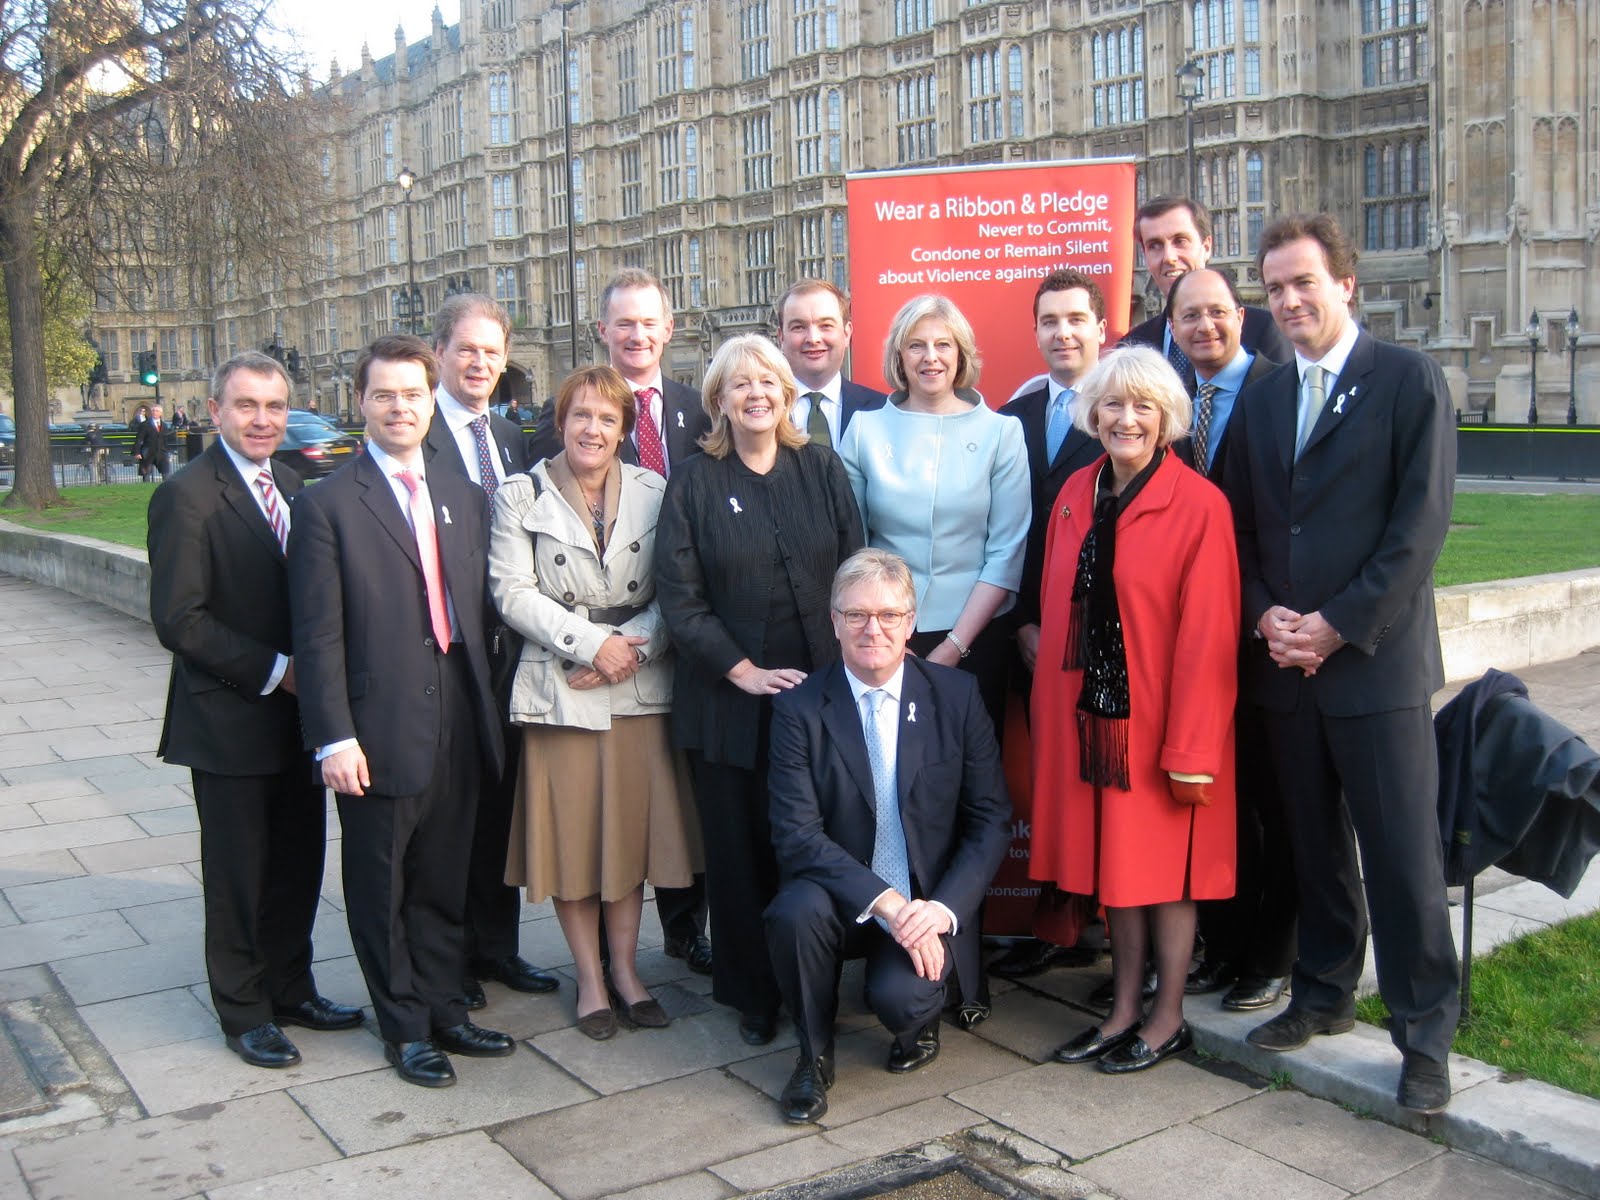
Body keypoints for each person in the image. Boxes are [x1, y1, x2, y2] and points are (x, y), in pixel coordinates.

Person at [1223, 214, 1460, 1114]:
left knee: (1402, 858)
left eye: (1301, 283)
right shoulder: (1266, 394)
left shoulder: (1407, 380)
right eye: (1274, 288)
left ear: (1345, 283)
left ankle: (1424, 1034)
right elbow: (1242, 526)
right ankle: (1322, 993)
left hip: (1374, 667)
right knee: (1312, 849)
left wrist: (1335, 625)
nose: (1286, 301)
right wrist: (1266, 619)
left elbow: (1419, 529)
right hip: (1284, 667)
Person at [288, 334, 513, 1089]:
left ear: (430, 398)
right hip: (376, 729)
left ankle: (447, 1005)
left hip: (459, 713)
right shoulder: (326, 506)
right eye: (384, 394)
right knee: (383, 886)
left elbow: (479, 611)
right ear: (362, 403)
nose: (400, 407)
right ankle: (406, 1028)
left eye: (412, 394)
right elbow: (317, 635)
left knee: (445, 877)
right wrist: (333, 738)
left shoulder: (462, 494)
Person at [148, 351, 362, 1070]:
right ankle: (243, 1010)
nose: (263, 420)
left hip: (298, 723)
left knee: (298, 863)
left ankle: (291, 986)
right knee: (240, 872)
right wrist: (279, 671)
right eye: (247, 406)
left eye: (274, 406)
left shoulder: (296, 484)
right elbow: (181, 620)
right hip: (229, 720)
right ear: (215, 412)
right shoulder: (187, 496)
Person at [1030, 346, 1240, 1074]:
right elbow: (1060, 621)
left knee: (1168, 878)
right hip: (1092, 726)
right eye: (1113, 404)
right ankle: (1122, 1010)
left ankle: (1168, 1014)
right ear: (1094, 413)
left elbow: (1209, 638)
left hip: (1161, 727)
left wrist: (1190, 749)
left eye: (1143, 406)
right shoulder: (1074, 496)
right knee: (1117, 872)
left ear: (1167, 419)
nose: (1126, 419)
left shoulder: (1199, 506)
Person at [655, 334, 863, 1045]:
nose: (757, 394)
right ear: (718, 399)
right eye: (740, 385)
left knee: (807, 845)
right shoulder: (693, 481)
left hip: (817, 699)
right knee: (739, 853)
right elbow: (678, 598)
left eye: (768, 382)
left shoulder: (821, 467)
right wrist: (741, 671)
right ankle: (752, 992)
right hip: (728, 703)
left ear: (785, 393)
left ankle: (815, 976)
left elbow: (853, 569)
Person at [489, 365, 701, 1040]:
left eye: (607, 418)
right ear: (561, 420)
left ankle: (630, 973)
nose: (593, 429)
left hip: (639, 686)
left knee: (628, 842)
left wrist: (631, 649)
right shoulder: (519, 495)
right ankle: (589, 979)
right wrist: (590, 646)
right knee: (574, 843)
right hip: (560, 683)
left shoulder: (655, 489)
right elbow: (511, 592)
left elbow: (678, 586)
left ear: (624, 429)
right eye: (581, 415)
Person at [764, 548, 1011, 1124]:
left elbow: (991, 818)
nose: (872, 629)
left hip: (925, 895)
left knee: (902, 1002)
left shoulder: (956, 697)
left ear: (910, 622)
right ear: (834, 622)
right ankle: (812, 1055)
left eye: (888, 615)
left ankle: (917, 1019)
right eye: (855, 615)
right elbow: (796, 835)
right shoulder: (800, 709)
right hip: (841, 895)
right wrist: (886, 903)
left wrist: (942, 909)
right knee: (792, 911)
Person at [532, 268, 713, 974]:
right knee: (605, 804)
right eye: (623, 324)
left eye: (649, 323)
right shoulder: (572, 418)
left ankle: (684, 926)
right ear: (602, 331)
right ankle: (614, 959)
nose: (637, 335)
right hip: (590, 654)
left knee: (677, 788)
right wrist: (604, 642)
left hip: (685, 632)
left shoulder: (701, 415)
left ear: (669, 330)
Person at [419, 293, 560, 1009]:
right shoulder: (417, 432)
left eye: (491, 352)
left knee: (502, 805)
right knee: (452, 814)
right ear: (439, 353)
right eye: (466, 349)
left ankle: (498, 947)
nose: (479, 363)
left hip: (509, 654)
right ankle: (451, 960)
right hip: (443, 653)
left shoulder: (512, 436)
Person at [1164, 266, 1294, 1013]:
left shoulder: (1279, 389)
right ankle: (1224, 943)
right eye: (1190, 316)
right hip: (1198, 641)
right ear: (1172, 326)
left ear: (1241, 317)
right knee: (1215, 804)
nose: (1206, 326)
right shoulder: (1171, 405)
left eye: (1218, 312)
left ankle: (1272, 955)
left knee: (1278, 804)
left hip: (1266, 629)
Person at [839, 294, 1030, 739]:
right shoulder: (865, 431)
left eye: (943, 345)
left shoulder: (1002, 433)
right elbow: (853, 546)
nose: (931, 358)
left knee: (972, 773)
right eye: (916, 345)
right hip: (885, 634)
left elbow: (1006, 551)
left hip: (977, 636)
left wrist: (954, 646)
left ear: (961, 354)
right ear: (898, 356)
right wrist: (883, 631)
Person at [1122, 196, 1290, 380]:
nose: (1168, 257)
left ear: (1207, 246)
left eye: (1180, 241)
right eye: (1155, 246)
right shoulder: (1132, 346)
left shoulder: (1264, 329)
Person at [775, 279, 886, 448]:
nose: (813, 338)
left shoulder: (882, 410)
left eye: (826, 325)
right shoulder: (761, 413)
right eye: (798, 327)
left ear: (847, 333)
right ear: (781, 337)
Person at [135, 403, 172, 480]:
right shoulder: (144, 424)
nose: (154, 412)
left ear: (161, 413)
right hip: (148, 451)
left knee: (166, 473)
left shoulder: (164, 425)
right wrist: (137, 452)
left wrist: (168, 452)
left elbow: (165, 440)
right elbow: (139, 439)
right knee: (146, 473)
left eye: (157, 411)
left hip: (161, 451)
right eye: (153, 410)